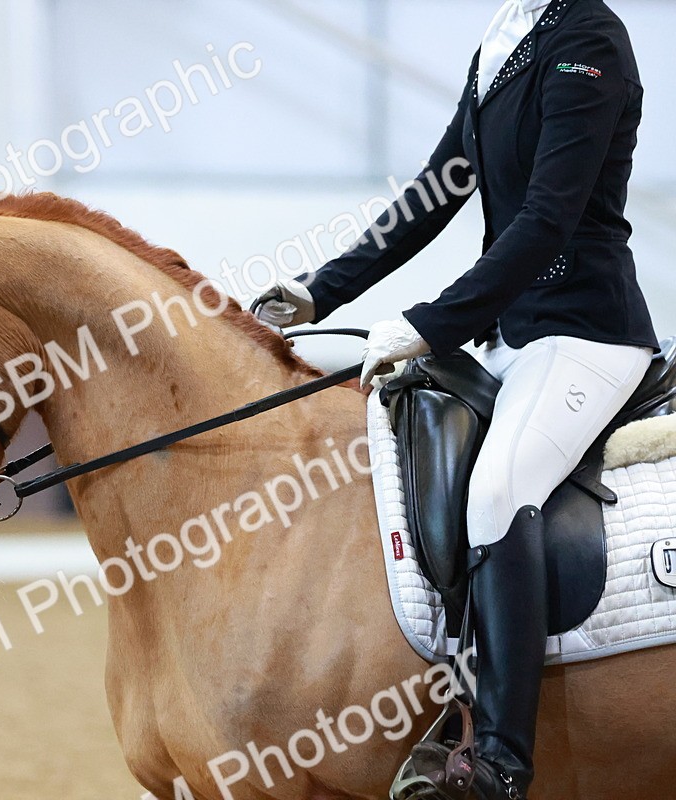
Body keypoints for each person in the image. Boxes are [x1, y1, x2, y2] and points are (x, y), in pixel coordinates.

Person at [254, 0, 659, 797]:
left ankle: (503, 761)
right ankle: (450, 696)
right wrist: (319, 291)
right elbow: (437, 189)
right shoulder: (506, 36)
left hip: (585, 334)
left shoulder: (589, 38)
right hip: (510, 337)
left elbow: (548, 218)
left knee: (500, 490)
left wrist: (432, 324)